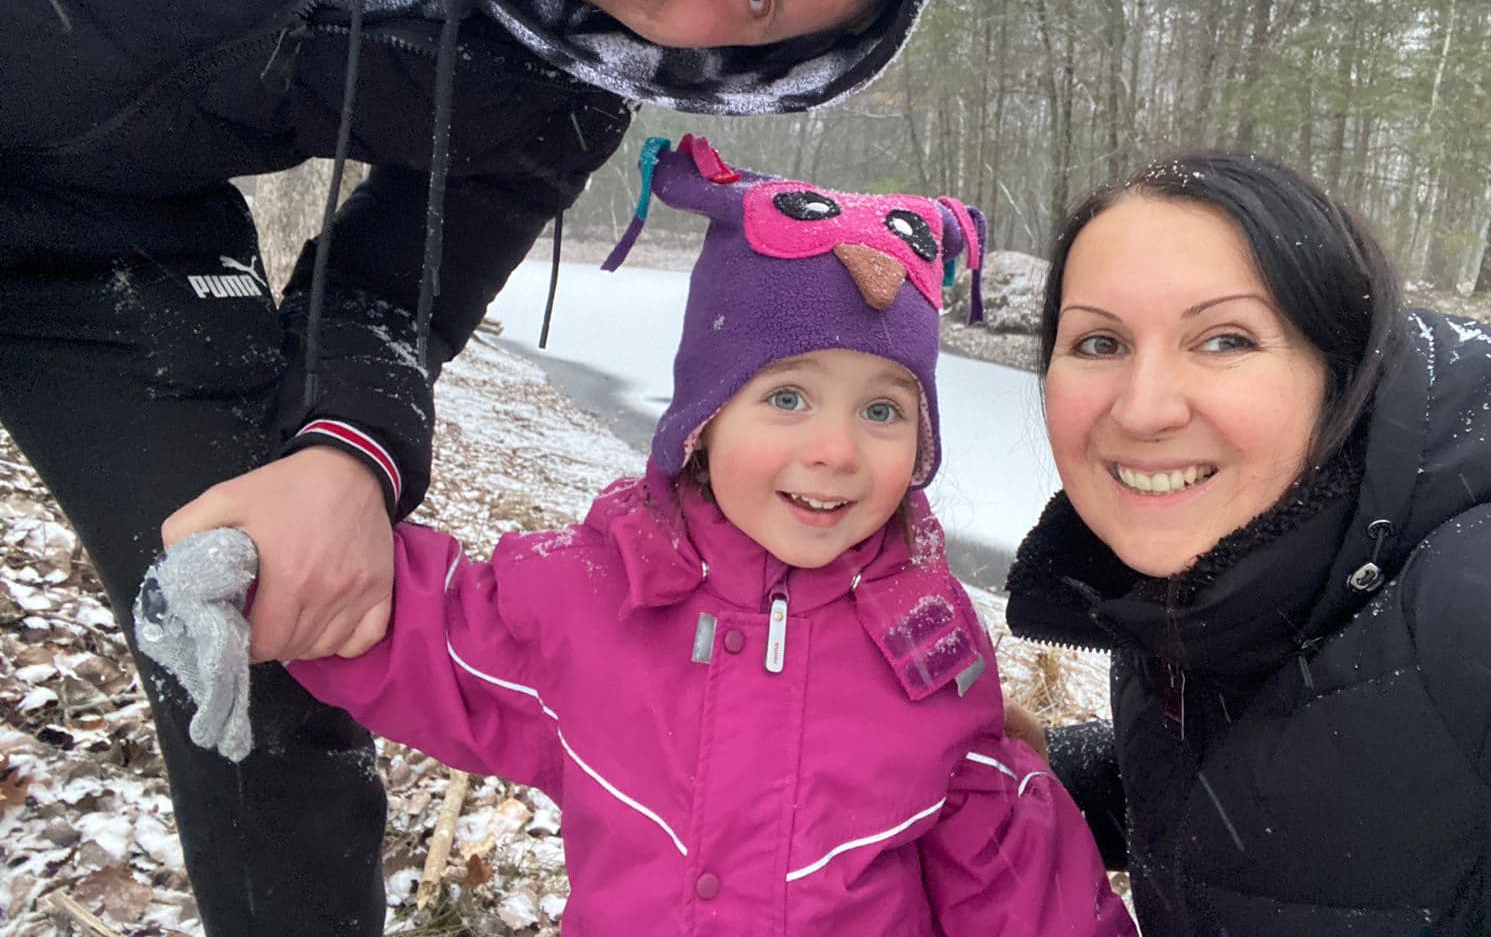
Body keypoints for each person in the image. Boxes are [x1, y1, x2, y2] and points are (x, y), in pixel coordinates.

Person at [0, 0, 970, 931]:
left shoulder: (560, 92)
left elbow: (392, 296)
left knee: (262, 631)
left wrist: (344, 454)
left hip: (101, 242)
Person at [140, 134, 1136, 934]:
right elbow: (429, 635)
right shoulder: (596, 592)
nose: (836, 449)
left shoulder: (929, 637)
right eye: (786, 397)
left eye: (883, 411)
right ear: (702, 420)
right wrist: (266, 576)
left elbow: (1003, 856)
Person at [1003, 149, 1491, 936]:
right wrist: (1034, 775)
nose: (1142, 409)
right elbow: (1281, 775)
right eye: (1099, 344)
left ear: (1341, 366)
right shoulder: (1206, 579)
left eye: (1224, 341)